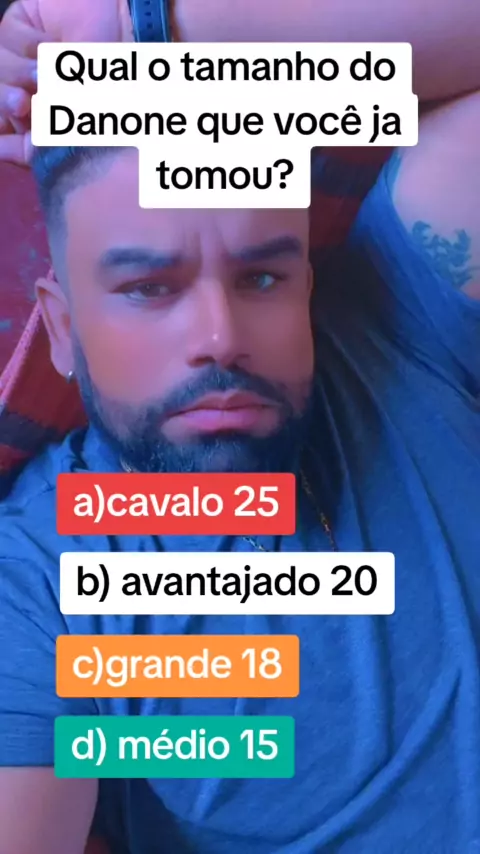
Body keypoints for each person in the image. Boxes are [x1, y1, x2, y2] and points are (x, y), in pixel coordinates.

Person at [0, 3, 479, 854]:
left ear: (305, 284)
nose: (220, 337)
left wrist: (145, 33)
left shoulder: (398, 326)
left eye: (261, 278)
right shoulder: (43, 584)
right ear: (63, 329)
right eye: (150, 288)